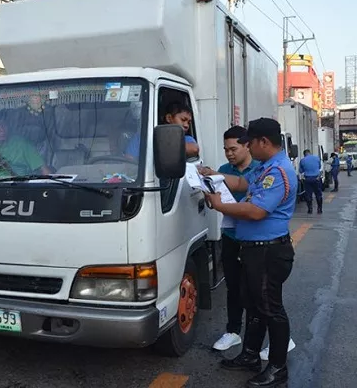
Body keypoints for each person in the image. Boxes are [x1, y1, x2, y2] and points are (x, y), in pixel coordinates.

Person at [204, 117, 297, 388]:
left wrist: (220, 206)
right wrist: (215, 177)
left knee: (271, 310)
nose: (248, 149)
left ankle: (278, 367)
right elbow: (242, 184)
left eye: (250, 143)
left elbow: (256, 211)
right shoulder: (266, 168)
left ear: (263, 142)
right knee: (253, 305)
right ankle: (250, 355)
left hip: (269, 252)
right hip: (255, 251)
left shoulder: (278, 172)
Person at [200, 126, 260, 351]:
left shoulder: (260, 170)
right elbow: (214, 201)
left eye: (233, 149)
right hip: (230, 236)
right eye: (226, 150)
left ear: (247, 145)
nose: (229, 154)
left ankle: (263, 338)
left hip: (255, 240)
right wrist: (208, 196)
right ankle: (233, 331)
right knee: (233, 287)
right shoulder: (223, 170)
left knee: (255, 290)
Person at [124, 102, 199, 160]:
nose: (186, 125)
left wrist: (159, 144)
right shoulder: (142, 137)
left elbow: (194, 149)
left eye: (189, 122)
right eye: (183, 120)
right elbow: (129, 160)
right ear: (169, 118)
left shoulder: (186, 139)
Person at [299, 149, 323, 214]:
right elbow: (319, 167)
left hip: (307, 179)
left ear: (304, 154)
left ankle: (310, 209)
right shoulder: (317, 158)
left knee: (308, 194)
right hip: (316, 178)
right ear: (310, 153)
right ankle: (319, 209)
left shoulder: (302, 160)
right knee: (318, 194)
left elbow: (301, 171)